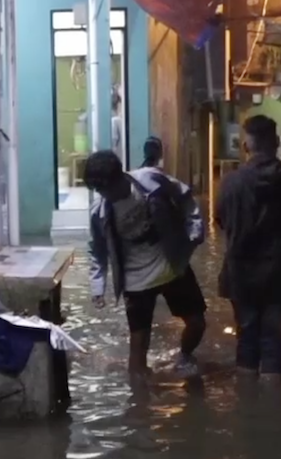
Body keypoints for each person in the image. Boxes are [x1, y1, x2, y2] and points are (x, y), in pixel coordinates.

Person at [84, 149, 207, 378]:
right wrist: (97, 287)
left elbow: (184, 196)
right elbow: (97, 251)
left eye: (105, 188)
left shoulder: (149, 180)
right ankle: (139, 403)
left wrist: (195, 227)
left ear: (120, 176)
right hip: (135, 280)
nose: (104, 194)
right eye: (98, 190)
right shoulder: (99, 212)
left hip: (171, 266)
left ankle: (184, 355)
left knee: (197, 322)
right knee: (138, 349)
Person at [215, 115, 281, 381]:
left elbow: (221, 221)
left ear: (246, 145)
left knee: (246, 339)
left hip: (241, 273)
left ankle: (247, 410)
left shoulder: (230, 183)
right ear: (277, 143)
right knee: (274, 343)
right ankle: (273, 413)